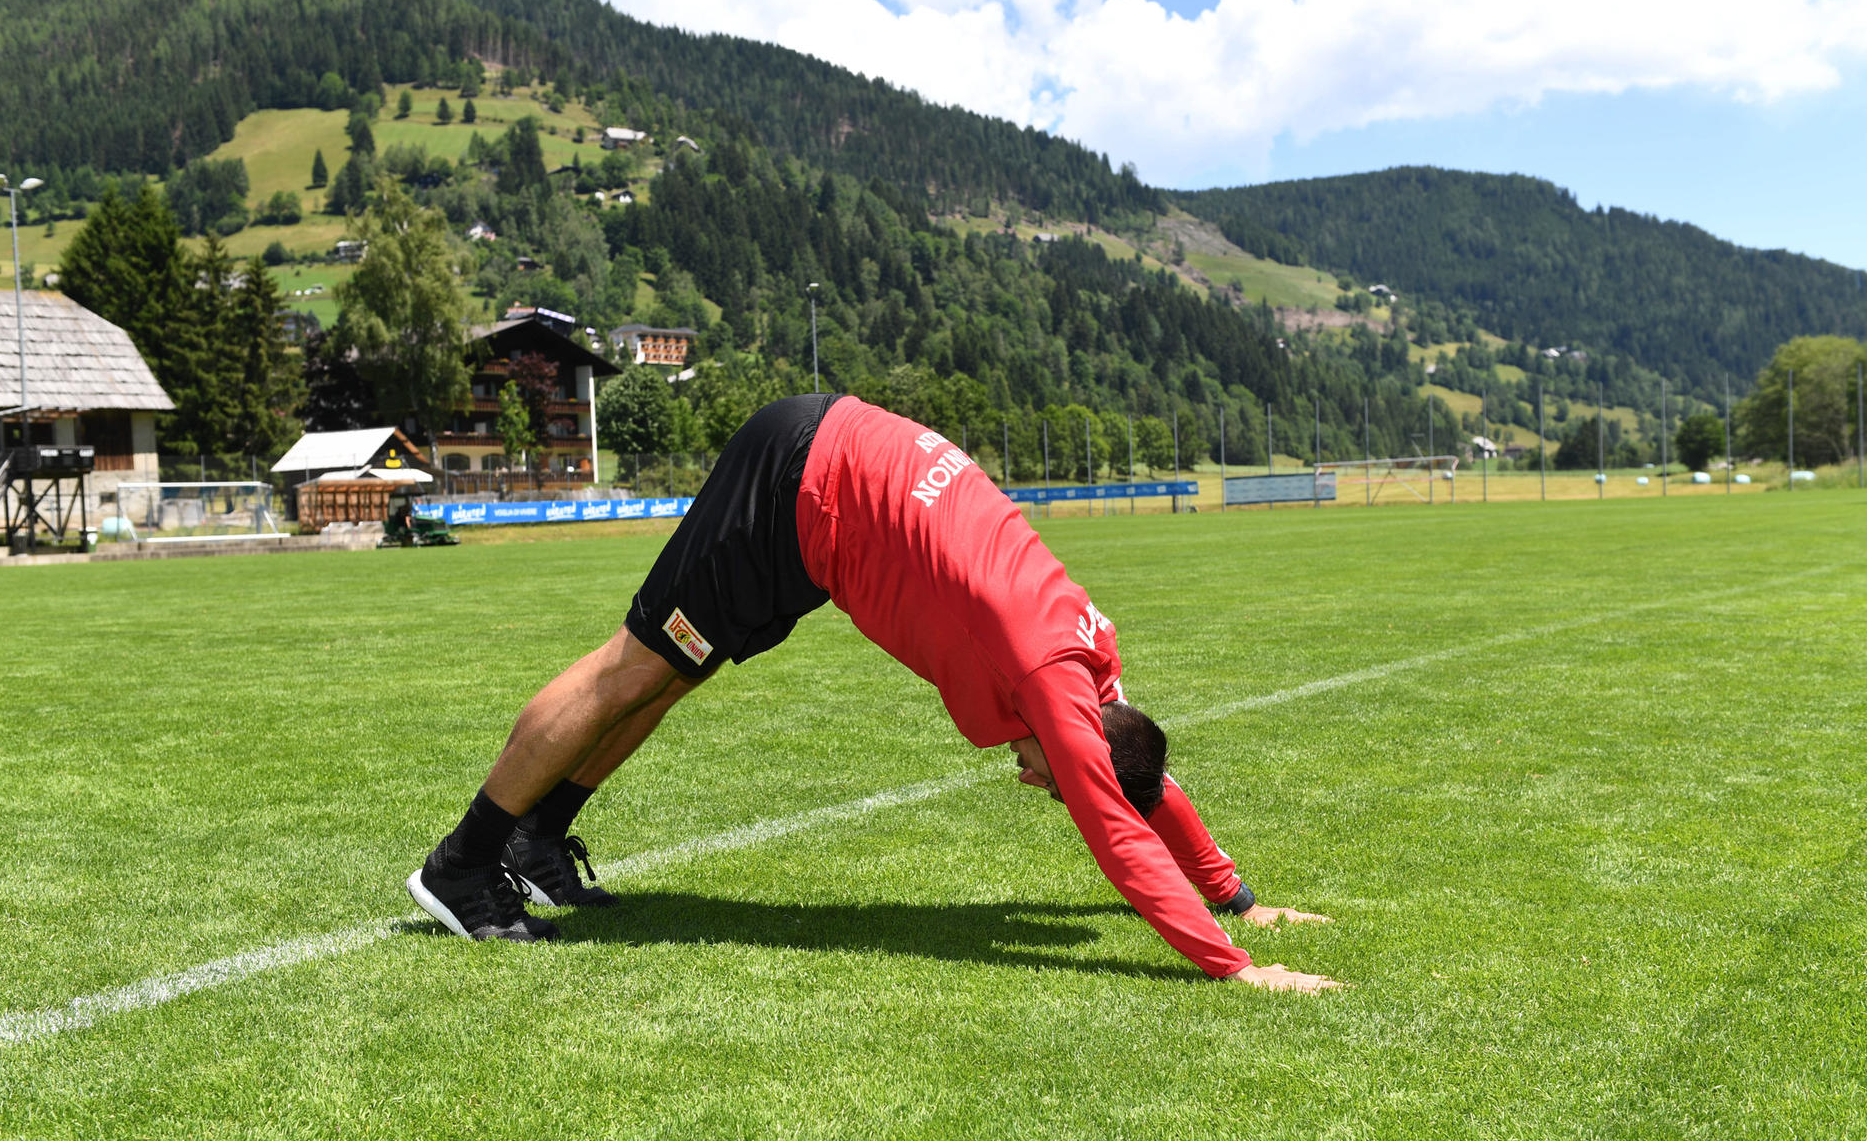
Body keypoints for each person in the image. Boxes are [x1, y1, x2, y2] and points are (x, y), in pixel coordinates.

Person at [407, 394, 1341, 992]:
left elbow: (1139, 782)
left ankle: (535, 836)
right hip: (797, 484)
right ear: (1069, 748)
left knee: (677, 670)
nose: (1030, 783)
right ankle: (463, 864)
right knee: (639, 660)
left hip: (830, 498)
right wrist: (1240, 966)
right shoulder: (1055, 688)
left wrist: (1238, 895)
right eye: (1047, 777)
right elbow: (1117, 833)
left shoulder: (1098, 666)